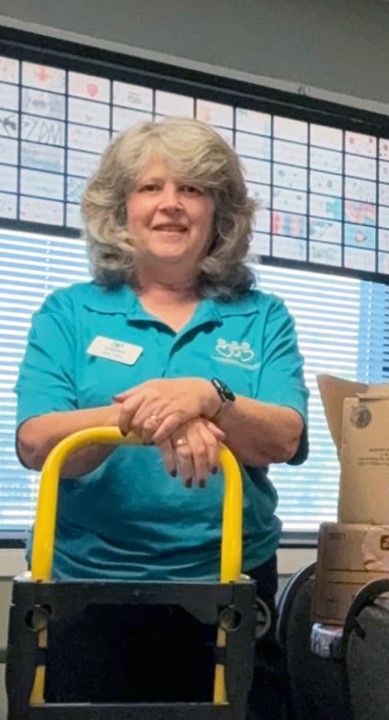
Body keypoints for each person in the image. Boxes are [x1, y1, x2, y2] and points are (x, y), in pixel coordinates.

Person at [13, 117, 309, 716]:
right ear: (121, 208)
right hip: (87, 589)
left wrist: (208, 395)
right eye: (151, 187)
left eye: (191, 189)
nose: (170, 204)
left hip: (230, 585)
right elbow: (37, 443)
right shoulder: (69, 312)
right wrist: (150, 412)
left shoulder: (263, 316)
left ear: (218, 213)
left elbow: (283, 437)